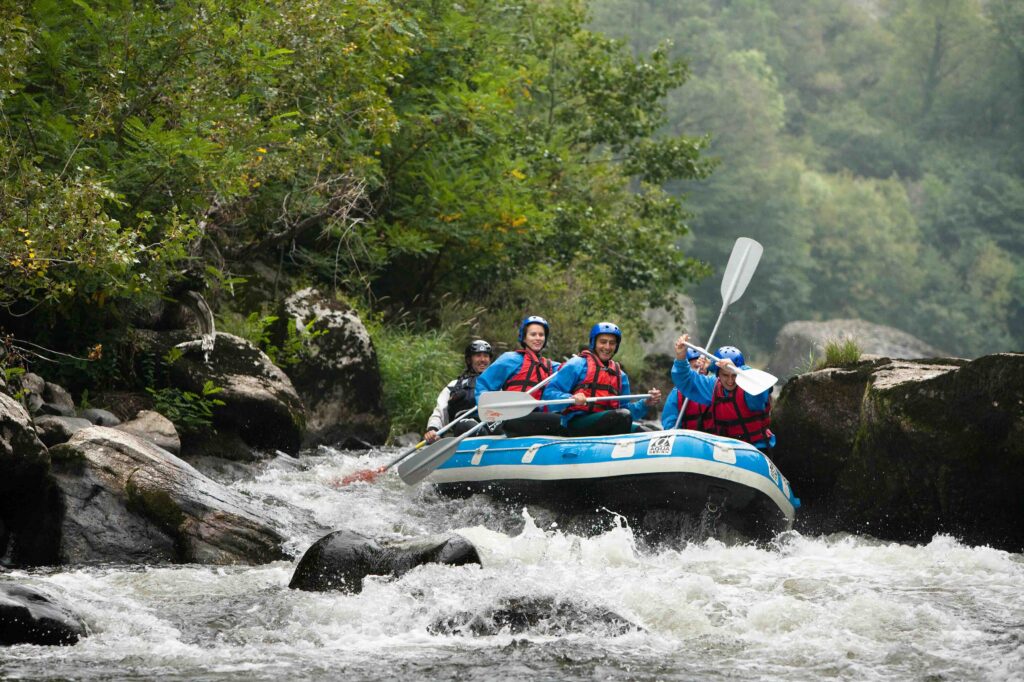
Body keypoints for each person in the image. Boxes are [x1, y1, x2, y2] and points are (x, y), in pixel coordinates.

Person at [544, 322, 661, 436]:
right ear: (594, 343)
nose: (607, 347)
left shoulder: (620, 375)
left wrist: (646, 403)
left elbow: (626, 410)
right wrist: (570, 398)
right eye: (603, 342)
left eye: (612, 343)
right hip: (577, 423)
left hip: (611, 420)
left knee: (650, 432)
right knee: (622, 416)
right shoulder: (577, 364)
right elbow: (549, 393)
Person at [671, 334, 775, 450]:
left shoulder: (749, 388)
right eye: (725, 375)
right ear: (718, 374)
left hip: (754, 449)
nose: (730, 381)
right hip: (725, 450)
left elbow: (761, 385)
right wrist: (681, 358)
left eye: (734, 375)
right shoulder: (713, 385)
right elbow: (685, 380)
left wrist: (739, 369)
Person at [475, 315, 564, 436]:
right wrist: (490, 414)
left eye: (541, 335)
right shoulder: (510, 359)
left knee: (565, 419)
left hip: (536, 416)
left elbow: (568, 370)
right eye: (533, 334)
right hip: (511, 416)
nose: (538, 338)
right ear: (524, 338)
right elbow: (483, 385)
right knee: (561, 422)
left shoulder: (550, 366)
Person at [423, 340, 494, 443]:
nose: (483, 359)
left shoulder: (498, 383)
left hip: (491, 423)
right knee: (468, 425)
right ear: (469, 360)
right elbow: (440, 411)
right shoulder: (454, 385)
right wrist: (433, 429)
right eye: (478, 355)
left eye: (486, 356)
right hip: (465, 426)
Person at [661, 347, 713, 431]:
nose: (701, 369)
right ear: (687, 369)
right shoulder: (677, 393)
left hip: (712, 437)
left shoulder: (714, 388)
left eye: (703, 366)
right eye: (696, 366)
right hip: (687, 437)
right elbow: (669, 423)